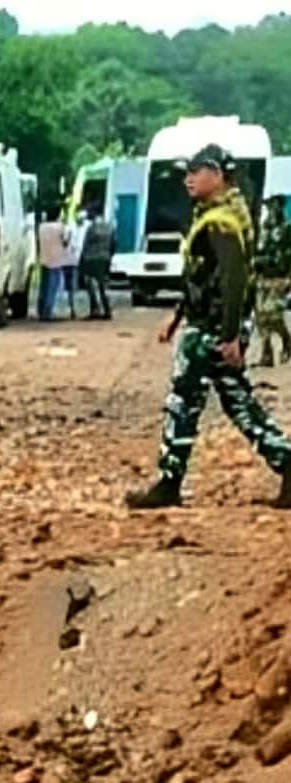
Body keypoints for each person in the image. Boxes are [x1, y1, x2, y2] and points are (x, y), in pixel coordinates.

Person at [126, 145, 291, 511]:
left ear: (217, 175)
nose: (188, 178)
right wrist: (178, 313)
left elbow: (234, 280)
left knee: (183, 401)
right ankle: (286, 461)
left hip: (211, 330)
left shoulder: (222, 221)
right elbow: (205, 275)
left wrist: (230, 335)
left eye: (195, 171)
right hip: (212, 324)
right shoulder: (220, 213)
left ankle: (169, 482)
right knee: (238, 402)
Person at [254, 194, 289, 367]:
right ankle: (266, 354)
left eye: (274, 206)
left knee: (273, 315)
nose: (270, 210)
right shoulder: (263, 229)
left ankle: (287, 341)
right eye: (268, 206)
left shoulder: (287, 229)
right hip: (262, 276)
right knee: (261, 318)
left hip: (279, 276)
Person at [78, 210, 116, 321]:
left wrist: (82, 259)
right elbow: (114, 243)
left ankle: (95, 309)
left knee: (90, 284)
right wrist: (109, 255)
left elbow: (86, 244)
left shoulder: (91, 228)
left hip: (91, 259)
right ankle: (107, 310)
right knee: (102, 285)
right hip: (104, 259)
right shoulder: (110, 228)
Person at [37, 214, 74, 320]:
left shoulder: (42, 227)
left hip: (44, 258)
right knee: (52, 287)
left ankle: (41, 310)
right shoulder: (60, 227)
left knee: (44, 286)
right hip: (56, 260)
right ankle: (48, 312)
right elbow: (65, 242)